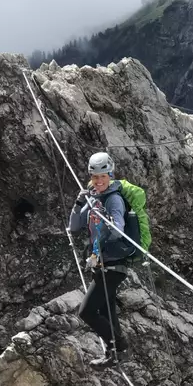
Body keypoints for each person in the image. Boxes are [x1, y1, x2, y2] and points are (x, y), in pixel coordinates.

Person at [69, 152, 142, 367]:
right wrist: (79, 202)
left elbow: (118, 230)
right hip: (102, 264)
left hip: (113, 264)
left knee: (87, 311)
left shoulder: (114, 199)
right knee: (106, 310)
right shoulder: (93, 198)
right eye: (95, 177)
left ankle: (120, 347)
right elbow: (74, 226)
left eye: (103, 176)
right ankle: (115, 353)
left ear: (110, 175)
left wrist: (106, 226)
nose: (99, 181)